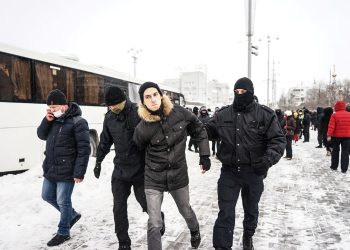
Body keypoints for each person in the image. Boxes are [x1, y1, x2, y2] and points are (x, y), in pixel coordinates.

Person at [205, 77, 286, 250]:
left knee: (251, 209)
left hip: (254, 171)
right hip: (229, 172)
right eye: (237, 92)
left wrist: (267, 161)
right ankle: (222, 246)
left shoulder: (265, 114)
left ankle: (248, 235)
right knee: (225, 212)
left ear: (251, 93)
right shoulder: (223, 114)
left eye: (243, 92)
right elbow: (207, 131)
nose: (239, 95)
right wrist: (196, 126)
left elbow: (278, 140)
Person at [133, 82, 211, 250]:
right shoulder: (141, 128)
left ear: (160, 95)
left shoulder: (179, 113)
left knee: (186, 211)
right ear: (143, 102)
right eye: (148, 97)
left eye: (155, 94)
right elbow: (138, 151)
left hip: (178, 174)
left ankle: (194, 229)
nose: (153, 99)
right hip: (153, 178)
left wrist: (204, 154)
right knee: (154, 222)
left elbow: (199, 129)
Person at [93, 86, 163, 250]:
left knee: (146, 203)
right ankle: (123, 243)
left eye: (115, 105)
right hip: (120, 171)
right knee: (118, 208)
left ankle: (159, 219)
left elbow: (154, 137)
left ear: (123, 100)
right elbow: (104, 141)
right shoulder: (109, 117)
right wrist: (98, 162)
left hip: (140, 169)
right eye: (109, 106)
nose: (112, 108)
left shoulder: (139, 112)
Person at [37, 89, 90, 247]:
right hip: (51, 168)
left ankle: (63, 232)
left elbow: (84, 149)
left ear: (65, 106)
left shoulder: (78, 122)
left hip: (68, 170)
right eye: (50, 108)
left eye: (55, 107)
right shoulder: (51, 119)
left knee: (63, 200)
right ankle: (72, 215)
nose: (52, 111)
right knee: (46, 195)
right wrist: (47, 120)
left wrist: (79, 172)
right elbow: (41, 134)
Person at [327, 101, 350, 173]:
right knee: (345, 152)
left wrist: (329, 135)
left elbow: (331, 126)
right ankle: (344, 169)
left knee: (335, 151)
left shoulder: (334, 115)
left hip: (336, 136)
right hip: (347, 137)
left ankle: (334, 166)